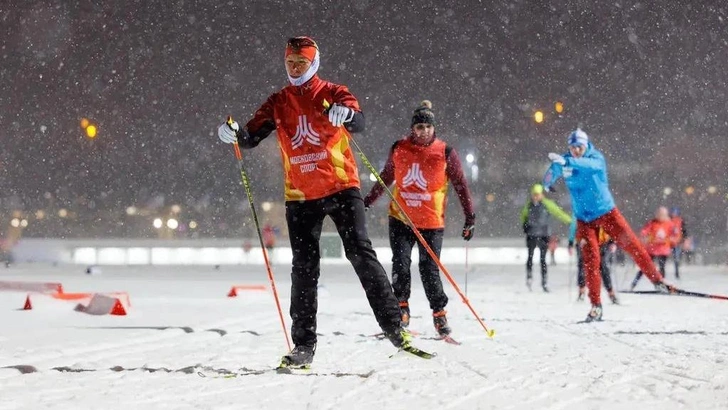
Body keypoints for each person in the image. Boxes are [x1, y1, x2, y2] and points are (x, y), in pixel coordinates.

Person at [217, 36, 413, 367]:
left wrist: (345, 114)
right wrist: (233, 134)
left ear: (314, 64)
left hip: (341, 188)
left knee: (359, 253)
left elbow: (359, 120)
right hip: (300, 195)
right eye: (290, 63)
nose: (294, 68)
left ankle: (395, 328)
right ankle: (303, 346)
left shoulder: (334, 92)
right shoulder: (278, 101)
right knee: (304, 268)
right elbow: (251, 136)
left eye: (301, 63)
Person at [363, 100, 476, 337]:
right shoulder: (399, 148)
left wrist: (470, 217)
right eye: (419, 127)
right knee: (401, 264)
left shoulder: (445, 152)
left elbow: (461, 185)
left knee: (429, 269)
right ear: (412, 129)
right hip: (401, 218)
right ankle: (401, 308)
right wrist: (368, 201)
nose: (423, 132)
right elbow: (385, 178)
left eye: (427, 127)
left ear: (434, 128)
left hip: (431, 222)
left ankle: (439, 314)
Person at [542, 128, 670, 322]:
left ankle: (656, 280)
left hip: (607, 213)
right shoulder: (565, 160)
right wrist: (547, 183)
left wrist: (568, 162)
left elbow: (587, 166)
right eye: (573, 147)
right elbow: (553, 171)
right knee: (591, 262)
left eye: (579, 147)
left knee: (632, 245)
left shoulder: (595, 159)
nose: (576, 150)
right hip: (584, 219)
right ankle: (596, 305)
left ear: (586, 146)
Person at [519, 183, 571, 292]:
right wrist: (525, 226)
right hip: (532, 234)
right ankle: (529, 277)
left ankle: (544, 282)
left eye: (538, 194)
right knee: (530, 257)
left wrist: (570, 221)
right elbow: (523, 216)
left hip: (543, 235)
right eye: (534, 194)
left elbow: (559, 213)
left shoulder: (547, 204)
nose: (536, 196)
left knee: (543, 259)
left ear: (541, 194)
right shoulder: (528, 205)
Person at [568, 217, 619, 304]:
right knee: (584, 265)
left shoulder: (600, 209)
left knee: (602, 267)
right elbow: (574, 224)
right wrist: (571, 241)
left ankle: (610, 292)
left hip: (599, 241)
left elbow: (609, 224)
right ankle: (582, 291)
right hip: (585, 240)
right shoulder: (582, 209)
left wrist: (612, 241)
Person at [630, 206, 677, 289]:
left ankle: (661, 285)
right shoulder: (652, 223)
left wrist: (672, 239)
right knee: (645, 266)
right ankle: (634, 283)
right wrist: (644, 236)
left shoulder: (669, 224)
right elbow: (644, 231)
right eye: (659, 214)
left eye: (662, 215)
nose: (660, 216)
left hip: (663, 250)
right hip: (652, 249)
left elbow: (675, 234)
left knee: (661, 268)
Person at [669, 207, 688, 279]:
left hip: (677, 242)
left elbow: (684, 230)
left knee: (676, 258)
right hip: (669, 242)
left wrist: (684, 239)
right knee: (664, 257)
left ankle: (677, 272)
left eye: (675, 213)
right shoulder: (668, 220)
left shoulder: (680, 221)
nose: (673, 214)